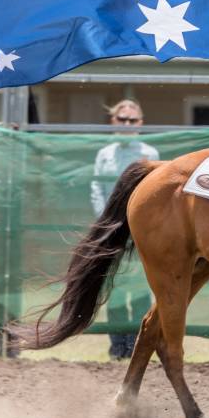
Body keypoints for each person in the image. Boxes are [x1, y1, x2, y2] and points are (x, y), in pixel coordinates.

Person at [91, 99, 158, 360]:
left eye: (132, 120)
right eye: (122, 120)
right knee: (115, 288)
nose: (127, 125)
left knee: (141, 290)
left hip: (140, 230)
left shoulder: (150, 154)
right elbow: (97, 188)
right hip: (111, 229)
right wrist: (104, 221)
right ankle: (117, 347)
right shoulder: (104, 154)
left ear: (140, 123)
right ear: (113, 122)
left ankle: (136, 347)